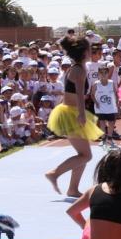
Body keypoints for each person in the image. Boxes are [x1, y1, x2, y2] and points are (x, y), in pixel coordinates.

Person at [45, 36, 104, 197]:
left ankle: (72, 189)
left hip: (70, 111)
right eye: (89, 49)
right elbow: (79, 93)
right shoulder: (79, 69)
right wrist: (82, 114)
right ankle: (54, 173)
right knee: (86, 155)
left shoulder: (77, 67)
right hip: (72, 113)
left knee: (82, 155)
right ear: (84, 52)